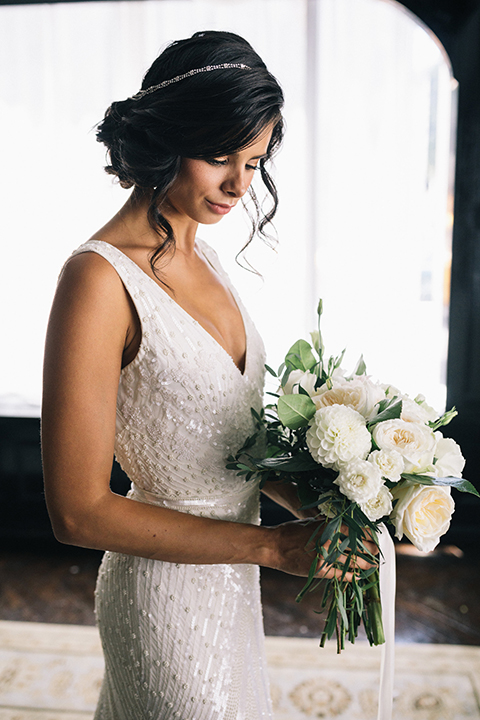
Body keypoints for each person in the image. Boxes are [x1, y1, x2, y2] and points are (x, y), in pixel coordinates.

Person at [41, 30, 376, 719]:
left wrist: (335, 506)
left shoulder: (210, 261)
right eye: (219, 157)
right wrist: (270, 547)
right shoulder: (98, 279)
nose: (239, 185)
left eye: (254, 162)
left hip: (232, 584)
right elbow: (76, 512)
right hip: (161, 598)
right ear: (166, 142)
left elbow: (229, 448)